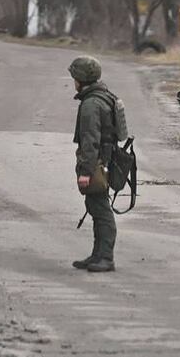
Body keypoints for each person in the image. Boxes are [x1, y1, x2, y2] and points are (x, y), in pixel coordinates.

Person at [69, 55, 118, 273]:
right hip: (103, 160)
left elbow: (90, 140)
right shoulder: (102, 96)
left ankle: (105, 257)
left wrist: (86, 172)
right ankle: (98, 254)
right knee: (95, 206)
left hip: (96, 163)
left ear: (81, 78)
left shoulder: (91, 104)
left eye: (75, 77)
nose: (74, 81)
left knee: (100, 209)